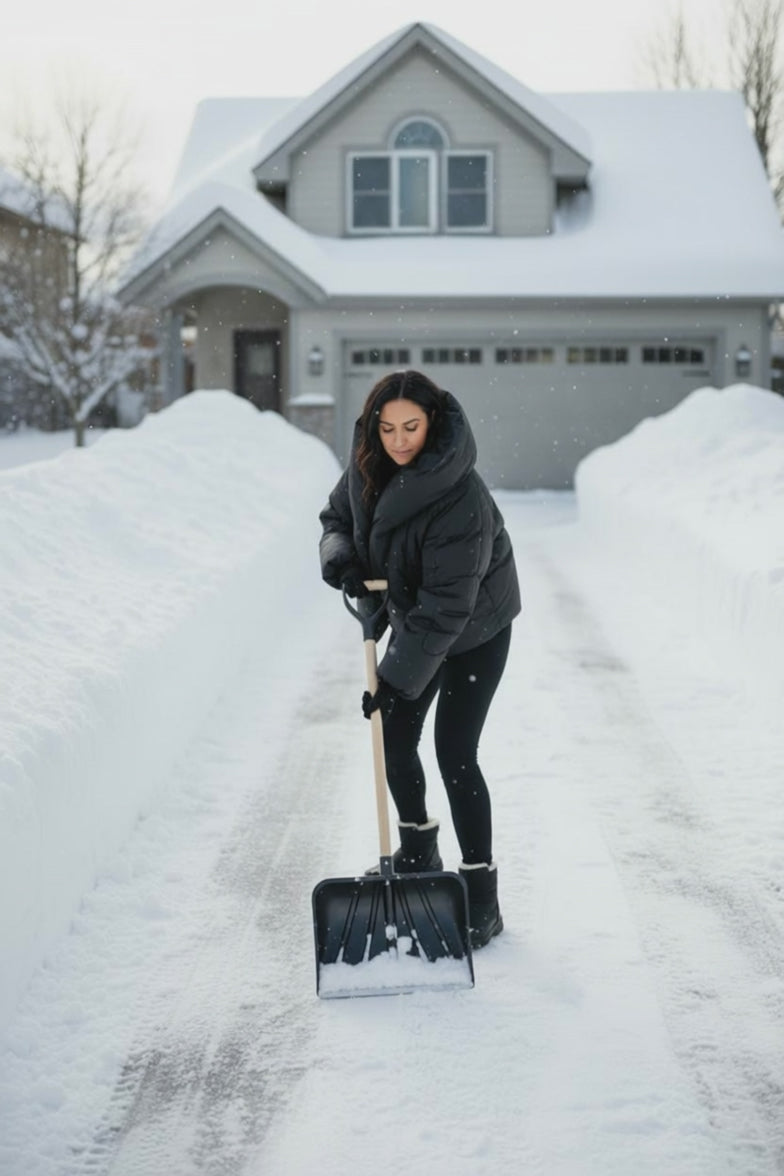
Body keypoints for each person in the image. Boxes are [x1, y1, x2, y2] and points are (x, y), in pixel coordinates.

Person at [319, 370, 521, 948]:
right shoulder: (365, 470)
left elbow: (446, 608)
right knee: (394, 737)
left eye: (411, 426)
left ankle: (482, 895)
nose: (399, 440)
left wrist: (394, 676)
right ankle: (416, 849)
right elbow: (335, 521)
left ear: (432, 424)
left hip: (475, 628)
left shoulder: (460, 496)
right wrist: (343, 561)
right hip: (420, 623)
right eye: (387, 428)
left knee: (455, 752)